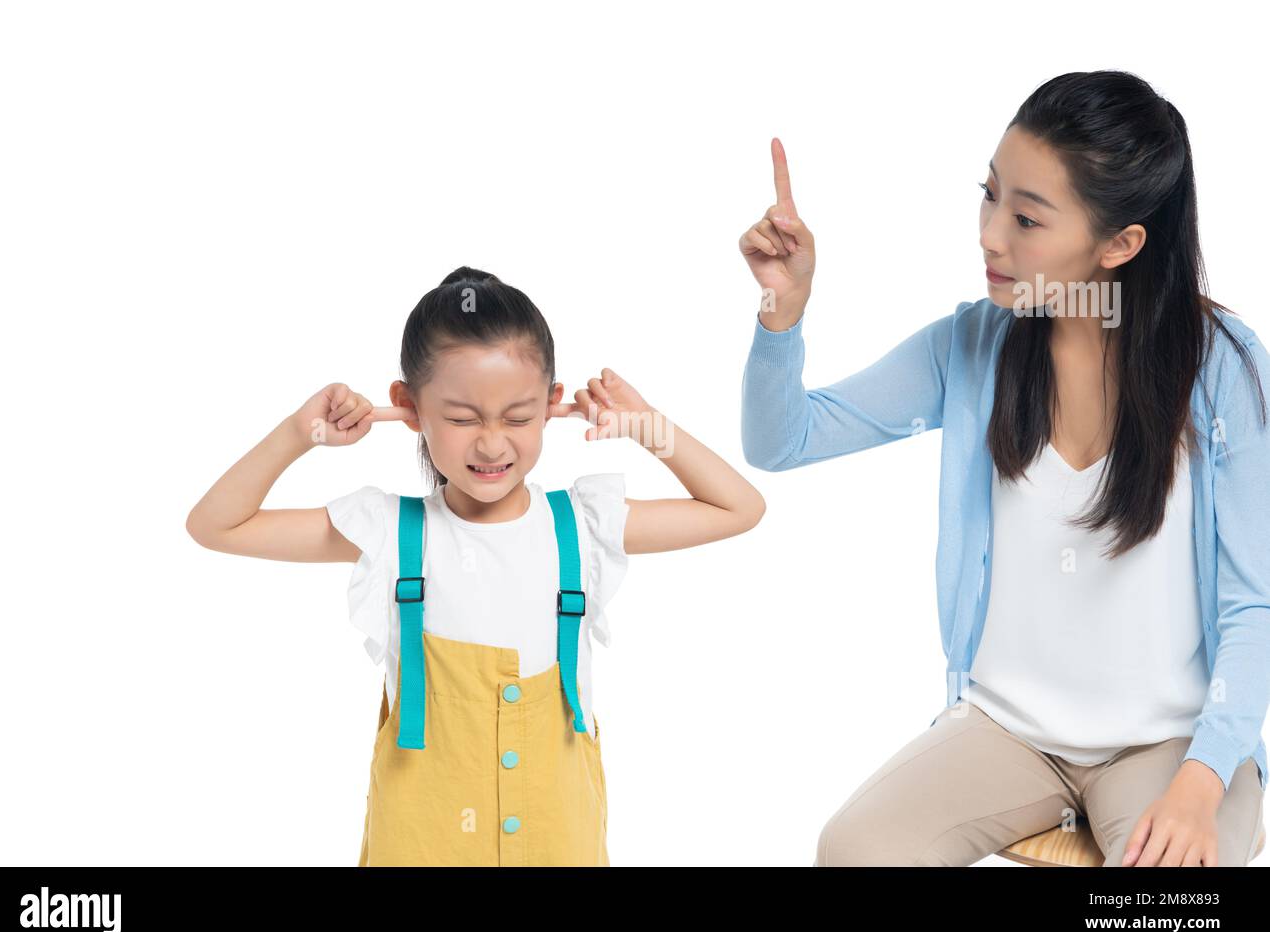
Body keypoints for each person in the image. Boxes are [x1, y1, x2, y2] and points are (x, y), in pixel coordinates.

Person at [739, 71, 1269, 866]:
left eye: (1026, 217)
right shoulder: (972, 346)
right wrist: (784, 312)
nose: (990, 234)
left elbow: (1255, 604)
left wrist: (1204, 778)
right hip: (1006, 729)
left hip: (1171, 744)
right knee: (853, 850)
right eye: (989, 196)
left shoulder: (1222, 370)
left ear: (1120, 244)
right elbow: (783, 440)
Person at [187, 266, 765, 865]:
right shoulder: (390, 532)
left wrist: (651, 429)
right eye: (462, 419)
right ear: (407, 408)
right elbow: (215, 525)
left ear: (551, 405)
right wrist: (299, 433)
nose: (492, 444)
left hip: (555, 842)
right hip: (421, 844)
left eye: (518, 417)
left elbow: (739, 507)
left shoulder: (583, 526)